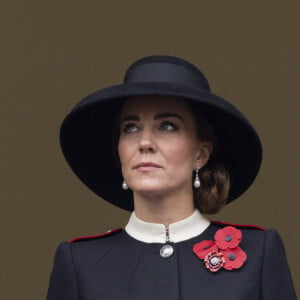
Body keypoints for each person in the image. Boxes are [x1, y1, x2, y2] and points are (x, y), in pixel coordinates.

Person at [47, 55, 296, 299]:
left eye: (167, 126)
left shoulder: (258, 254)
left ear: (201, 153)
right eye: (131, 128)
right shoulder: (80, 263)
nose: (144, 142)